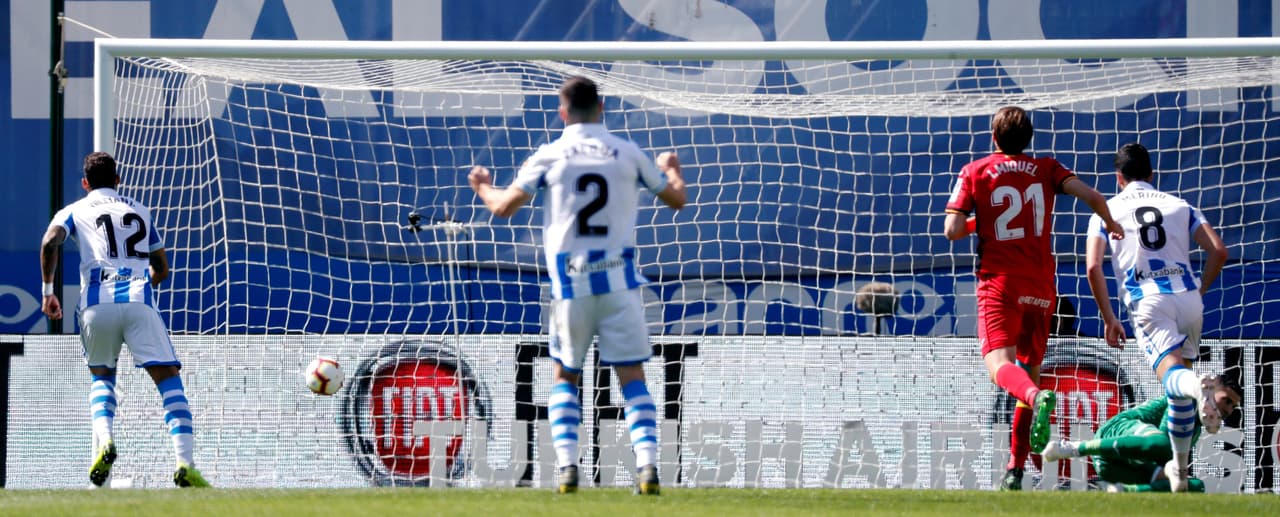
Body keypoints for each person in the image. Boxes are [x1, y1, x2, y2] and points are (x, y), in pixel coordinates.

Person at [468, 76, 686, 495]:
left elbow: (503, 208)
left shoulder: (550, 154)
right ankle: (647, 468)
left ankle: (568, 468)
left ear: (562, 112)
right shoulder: (627, 152)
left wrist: (482, 186)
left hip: (572, 286)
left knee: (566, 376)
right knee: (632, 377)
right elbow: (677, 199)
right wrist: (671, 170)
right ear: (601, 108)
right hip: (620, 284)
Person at [943, 106, 1124, 491]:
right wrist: (1110, 223)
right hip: (1042, 287)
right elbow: (1093, 195)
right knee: (1030, 368)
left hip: (1000, 283)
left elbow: (952, 229)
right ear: (1028, 138)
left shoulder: (975, 171)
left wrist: (980, 220)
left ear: (994, 137)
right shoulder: (1047, 168)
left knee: (1001, 367)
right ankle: (1015, 468)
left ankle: (1036, 398)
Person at [40, 151, 209, 488]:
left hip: (96, 304)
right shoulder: (139, 211)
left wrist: (48, 291)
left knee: (102, 377)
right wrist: (138, 284)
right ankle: (184, 463)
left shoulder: (73, 210)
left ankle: (105, 441)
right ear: (118, 180)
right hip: (138, 301)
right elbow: (161, 268)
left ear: (85, 183)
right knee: (168, 380)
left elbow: (50, 241)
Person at [1081, 142, 1230, 492]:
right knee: (1178, 397)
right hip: (1188, 298)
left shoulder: (1106, 211)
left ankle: (1200, 388)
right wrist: (1199, 291)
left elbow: (1092, 267)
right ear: (1151, 174)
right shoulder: (1181, 205)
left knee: (1178, 382)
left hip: (1148, 301)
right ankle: (1178, 473)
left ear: (1118, 178)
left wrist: (1109, 318)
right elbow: (1219, 251)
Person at [1040, 374, 1242, 492]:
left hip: (1114, 468)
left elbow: (1164, 459)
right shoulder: (1185, 401)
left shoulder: (1196, 426)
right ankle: (1075, 448)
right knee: (1165, 446)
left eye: (1233, 406)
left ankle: (1125, 491)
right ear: (1210, 390)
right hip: (1115, 431)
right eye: (1226, 400)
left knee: (1194, 486)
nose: (1228, 410)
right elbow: (1161, 445)